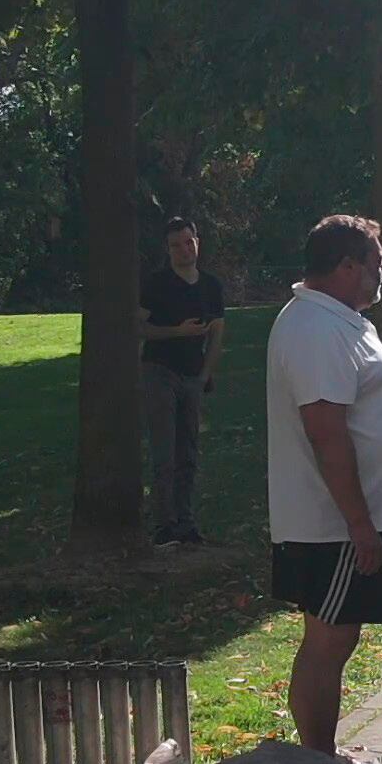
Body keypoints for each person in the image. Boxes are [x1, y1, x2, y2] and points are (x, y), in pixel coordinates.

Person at [266, 215, 382, 753]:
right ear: (346, 266)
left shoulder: (335, 320)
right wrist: (360, 524)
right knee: (327, 642)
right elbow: (326, 433)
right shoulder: (316, 330)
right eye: (375, 262)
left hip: (352, 521)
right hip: (337, 527)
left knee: (335, 639)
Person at [136, 216, 226, 546]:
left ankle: (186, 522)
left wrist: (205, 374)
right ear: (168, 249)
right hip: (159, 371)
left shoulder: (211, 286)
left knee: (188, 452)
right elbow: (139, 327)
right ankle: (164, 525)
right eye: (176, 245)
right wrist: (177, 332)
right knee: (164, 453)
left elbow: (217, 333)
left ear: (197, 242)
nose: (184, 250)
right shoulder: (157, 284)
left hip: (192, 375)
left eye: (188, 242)